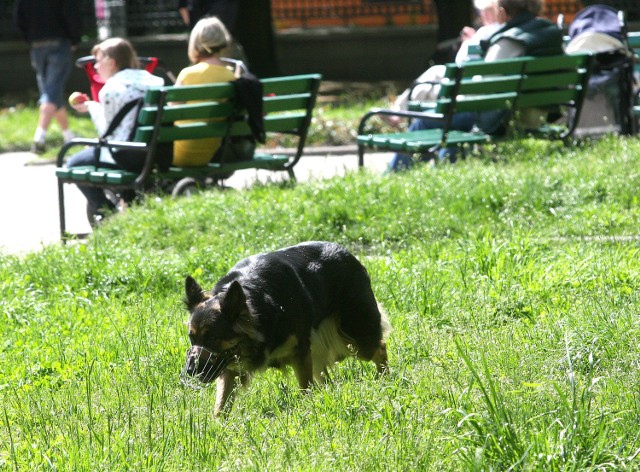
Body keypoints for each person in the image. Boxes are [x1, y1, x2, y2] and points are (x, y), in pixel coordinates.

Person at [387, 0, 564, 172]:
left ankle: (394, 175)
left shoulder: (509, 40)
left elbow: (483, 87)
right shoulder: (552, 33)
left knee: (426, 121)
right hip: (539, 115)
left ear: (502, 12)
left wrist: (454, 97)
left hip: (507, 119)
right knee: (455, 130)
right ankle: (444, 172)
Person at [66, 38, 164, 223]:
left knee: (73, 164)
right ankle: (130, 205)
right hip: (157, 153)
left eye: (98, 60)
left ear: (111, 62)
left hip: (128, 156)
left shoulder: (111, 90)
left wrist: (92, 108)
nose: (95, 66)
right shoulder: (155, 82)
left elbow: (107, 134)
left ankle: (109, 216)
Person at [389, 0, 502, 126]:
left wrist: (467, 42)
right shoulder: (504, 33)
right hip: (479, 90)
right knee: (435, 72)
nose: (481, 15)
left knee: (423, 89)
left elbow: (460, 62)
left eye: (482, 11)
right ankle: (398, 113)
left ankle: (399, 114)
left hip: (466, 91)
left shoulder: (484, 33)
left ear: (491, 12)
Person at [13, 0, 82, 154]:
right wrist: (75, 39)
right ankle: (39, 138)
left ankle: (68, 137)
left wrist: (30, 38)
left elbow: (18, 20)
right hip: (59, 42)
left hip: (36, 45)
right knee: (51, 93)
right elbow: (71, 15)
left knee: (50, 92)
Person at [172, 16, 239, 167]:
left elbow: (172, 108)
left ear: (195, 43)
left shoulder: (188, 74)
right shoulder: (231, 76)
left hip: (178, 153)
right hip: (209, 152)